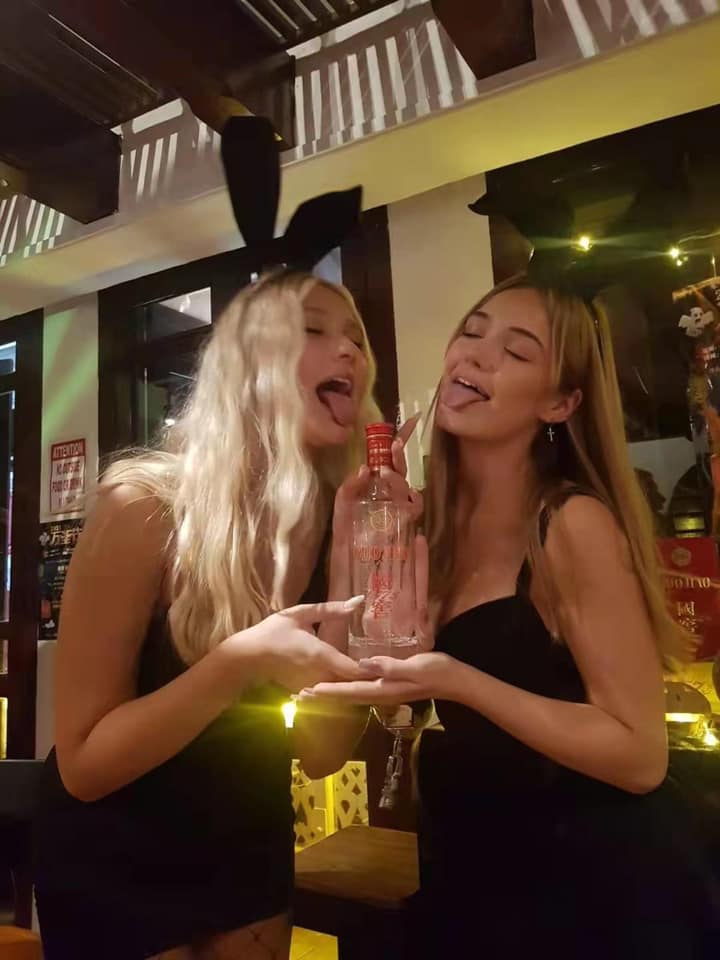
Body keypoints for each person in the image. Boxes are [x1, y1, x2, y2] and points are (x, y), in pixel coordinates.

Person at [305, 275, 720, 957]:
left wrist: (457, 680)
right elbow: (321, 752)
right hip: (478, 882)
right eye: (471, 334)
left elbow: (640, 755)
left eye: (516, 351)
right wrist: (349, 552)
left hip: (598, 896)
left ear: (560, 402)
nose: (475, 355)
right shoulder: (426, 532)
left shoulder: (570, 523)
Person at [33, 270, 387, 960]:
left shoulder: (334, 521)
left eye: (357, 338)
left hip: (247, 838)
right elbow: (84, 766)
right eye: (313, 330)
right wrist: (241, 661)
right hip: (116, 848)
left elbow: (322, 756)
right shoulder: (144, 508)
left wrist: (352, 577)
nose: (349, 350)